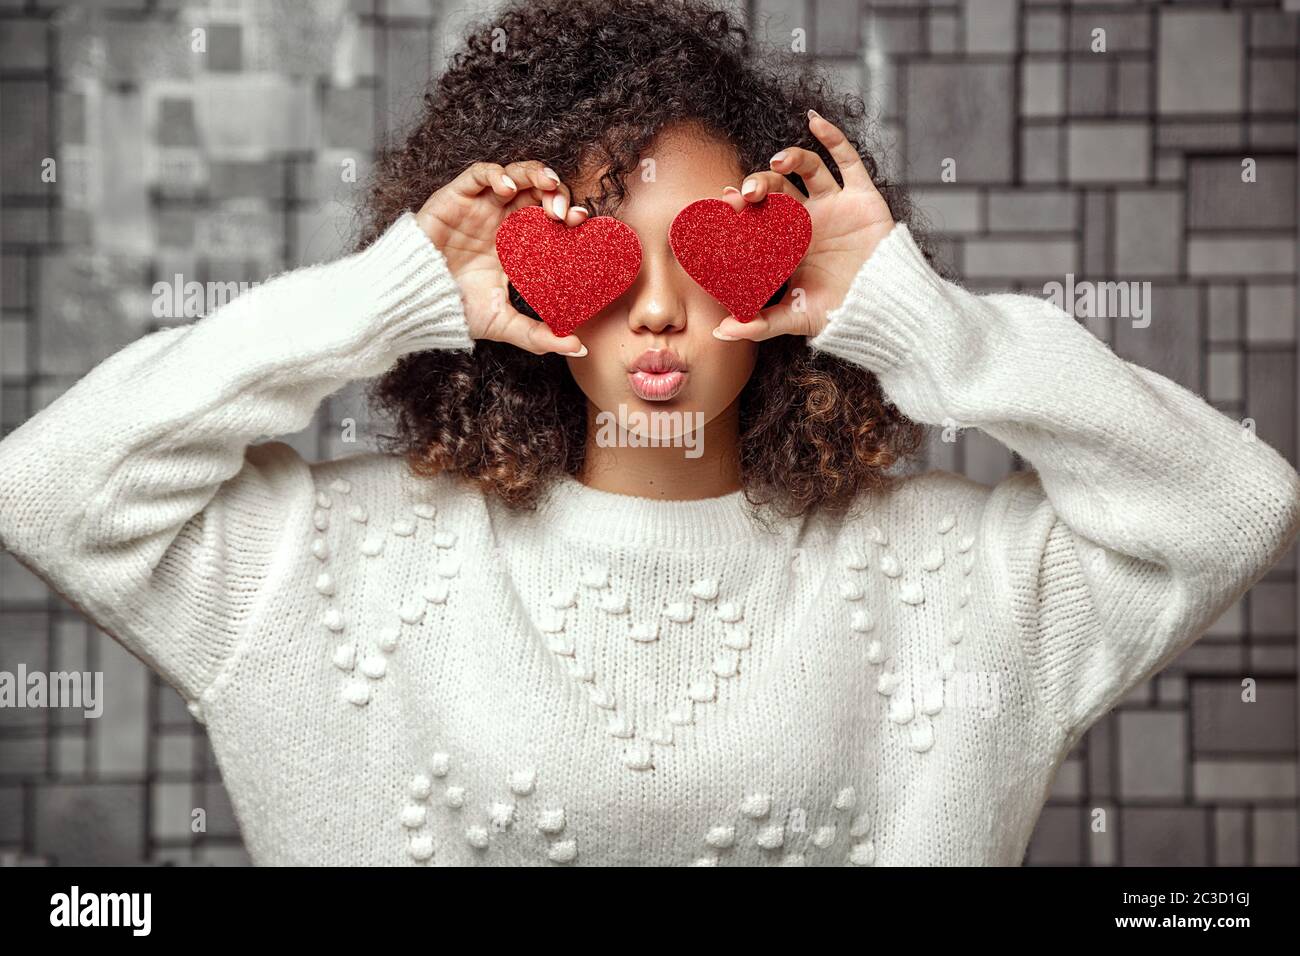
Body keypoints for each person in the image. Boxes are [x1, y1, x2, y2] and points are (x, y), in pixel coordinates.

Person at [1, 0, 1297, 866]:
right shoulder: (316, 563)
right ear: (525, 263)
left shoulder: (965, 583)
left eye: (708, 257)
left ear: (782, 277)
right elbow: (49, 488)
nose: (663, 309)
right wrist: (387, 301)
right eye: (607, 251)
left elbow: (1228, 503)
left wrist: (919, 321)